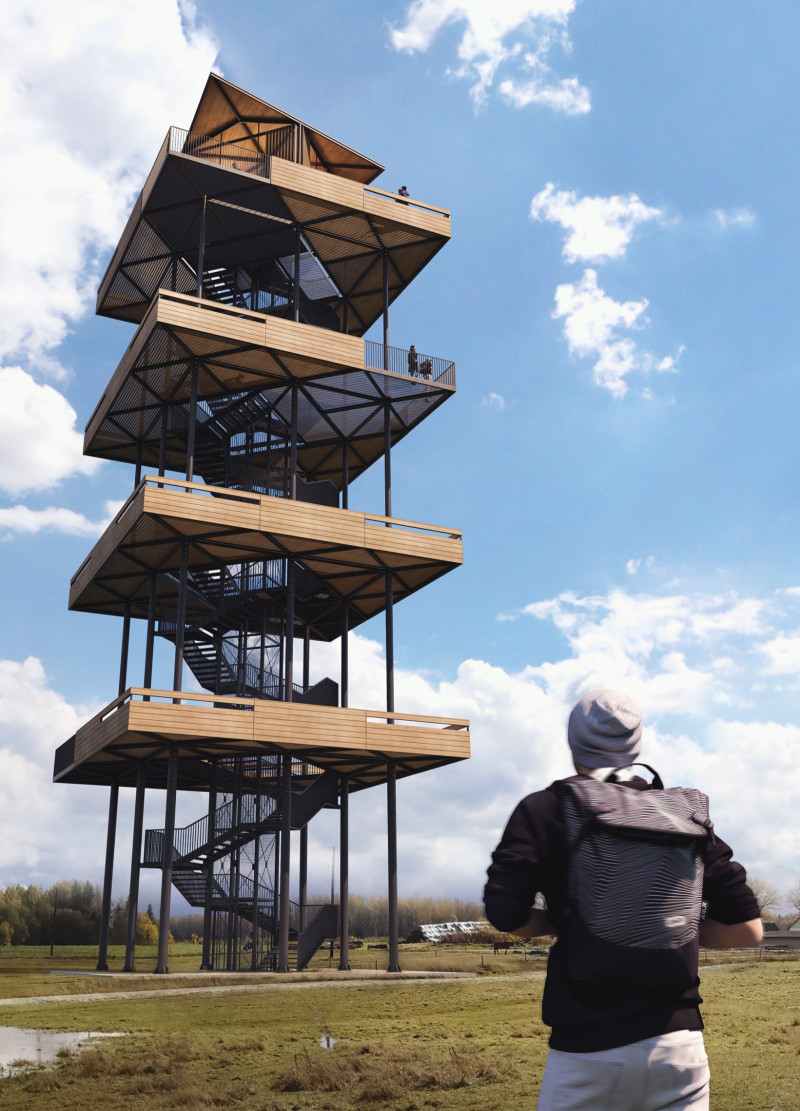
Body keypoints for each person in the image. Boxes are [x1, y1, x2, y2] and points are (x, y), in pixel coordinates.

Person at [484, 689, 762, 1111]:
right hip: (680, 1048)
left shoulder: (545, 809)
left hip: (587, 1050)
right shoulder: (685, 816)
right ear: (636, 747)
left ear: (574, 745)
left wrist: (558, 923)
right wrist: (670, 923)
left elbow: (505, 912)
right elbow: (748, 930)